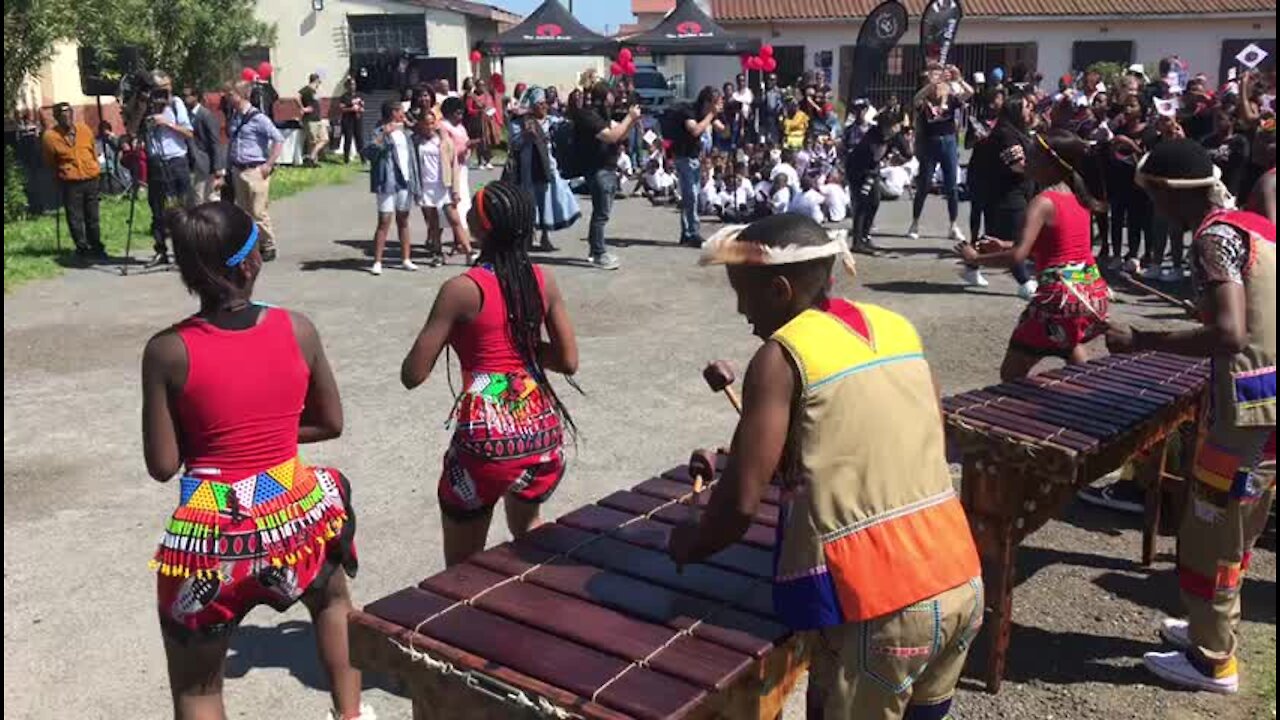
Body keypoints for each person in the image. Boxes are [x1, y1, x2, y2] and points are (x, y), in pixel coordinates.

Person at [669, 214, 982, 719]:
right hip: (959, 579)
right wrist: (744, 459)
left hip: (883, 611)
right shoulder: (897, 328)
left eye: (741, 292)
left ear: (778, 289)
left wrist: (692, 542)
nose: (739, 308)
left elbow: (741, 505)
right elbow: (897, 444)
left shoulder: (779, 357)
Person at [143, 202, 368, 720]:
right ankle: (351, 715)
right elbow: (330, 422)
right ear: (250, 264)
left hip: (212, 534)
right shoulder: (298, 329)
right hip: (295, 514)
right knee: (333, 602)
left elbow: (162, 464)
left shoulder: (167, 351)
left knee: (198, 690)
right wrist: (266, 436)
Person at [1105, 139, 1275, 695]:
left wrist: (1141, 340)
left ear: (1171, 195)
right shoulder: (1251, 224)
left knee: (1210, 525)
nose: (1155, 210)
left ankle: (1213, 660)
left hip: (1245, 412)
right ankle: (1211, 624)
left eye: (1154, 197)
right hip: (1269, 402)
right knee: (1242, 523)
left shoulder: (1211, 239)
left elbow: (1229, 334)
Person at [400, 180, 580, 566]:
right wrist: (522, 351)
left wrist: (462, 338)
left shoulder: (460, 290)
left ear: (481, 228)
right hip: (540, 430)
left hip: (487, 435)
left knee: (464, 567)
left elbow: (413, 374)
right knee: (528, 532)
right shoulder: (543, 279)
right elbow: (568, 361)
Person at [956, 129, 1110, 380]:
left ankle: (1028, 415)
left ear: (1051, 164)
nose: (1027, 161)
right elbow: (1057, 247)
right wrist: (1004, 245)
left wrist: (974, 259)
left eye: (1033, 156)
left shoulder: (1043, 202)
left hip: (1059, 300)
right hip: (1090, 292)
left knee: (1011, 373)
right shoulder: (1078, 197)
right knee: (1069, 345)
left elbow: (1018, 257)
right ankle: (1087, 398)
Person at [963, 92, 1037, 293]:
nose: (1030, 110)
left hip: (1016, 191)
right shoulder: (1006, 133)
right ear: (1015, 111)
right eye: (1026, 107)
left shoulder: (1019, 131)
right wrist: (1040, 169)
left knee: (995, 237)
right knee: (1016, 238)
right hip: (1006, 193)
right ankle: (1025, 282)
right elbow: (1017, 165)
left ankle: (970, 263)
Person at [574, 81, 643, 270]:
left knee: (602, 212)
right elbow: (611, 136)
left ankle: (594, 249)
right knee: (601, 214)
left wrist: (632, 121)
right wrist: (629, 118)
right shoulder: (590, 116)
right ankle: (598, 253)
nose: (616, 100)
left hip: (608, 168)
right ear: (604, 97)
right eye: (612, 96)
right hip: (598, 170)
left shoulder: (603, 116)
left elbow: (621, 135)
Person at [509, 86, 579, 251]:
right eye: (539, 104)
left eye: (544, 103)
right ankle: (527, 235)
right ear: (533, 106)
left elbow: (565, 131)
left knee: (548, 199)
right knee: (530, 200)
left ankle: (545, 236)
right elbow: (514, 144)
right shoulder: (520, 123)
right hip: (528, 168)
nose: (543, 107)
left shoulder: (552, 121)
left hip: (548, 166)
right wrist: (526, 136)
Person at [225, 80, 284, 262]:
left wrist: (269, 164)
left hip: (255, 170)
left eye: (230, 94)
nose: (227, 98)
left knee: (258, 211)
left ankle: (268, 245)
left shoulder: (258, 118)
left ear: (242, 95)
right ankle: (252, 246)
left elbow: (278, 139)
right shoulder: (234, 116)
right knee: (243, 213)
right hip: (238, 170)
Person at [41, 102, 106, 261]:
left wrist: (95, 169)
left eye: (69, 114)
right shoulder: (50, 137)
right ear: (56, 118)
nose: (67, 118)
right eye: (62, 115)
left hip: (90, 178)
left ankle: (96, 246)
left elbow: (93, 150)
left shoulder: (84, 129)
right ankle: (81, 247)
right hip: (70, 181)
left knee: (93, 216)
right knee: (75, 216)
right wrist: (60, 174)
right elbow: (50, 160)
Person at [145, 71, 196, 267]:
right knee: (157, 208)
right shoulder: (146, 106)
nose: (165, 93)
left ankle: (186, 251)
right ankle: (160, 250)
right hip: (155, 161)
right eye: (161, 89)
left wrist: (167, 123)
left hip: (176, 161)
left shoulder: (176, 104)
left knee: (183, 208)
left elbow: (189, 133)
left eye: (168, 88)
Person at [907, 81, 966, 243]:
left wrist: (959, 79)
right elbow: (915, 99)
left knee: (951, 186)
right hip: (930, 143)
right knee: (924, 184)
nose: (939, 90)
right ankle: (915, 222)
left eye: (942, 87)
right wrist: (928, 86)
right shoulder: (926, 103)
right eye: (936, 87)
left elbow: (969, 93)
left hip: (948, 141)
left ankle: (953, 225)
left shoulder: (952, 101)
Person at [846, 110, 912, 255]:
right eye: (893, 125)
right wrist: (887, 150)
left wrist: (899, 159)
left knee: (874, 201)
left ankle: (865, 236)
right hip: (857, 169)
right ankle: (857, 242)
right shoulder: (873, 136)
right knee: (862, 203)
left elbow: (908, 153)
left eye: (896, 125)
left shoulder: (896, 135)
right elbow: (875, 156)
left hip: (873, 170)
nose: (896, 128)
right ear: (885, 126)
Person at [367, 101, 419, 275]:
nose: (403, 115)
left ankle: (406, 258)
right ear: (393, 113)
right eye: (400, 112)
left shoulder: (407, 133)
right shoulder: (379, 130)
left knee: (403, 220)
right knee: (384, 221)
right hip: (387, 181)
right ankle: (377, 261)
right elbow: (369, 152)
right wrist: (383, 134)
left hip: (405, 179)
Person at [413, 108, 466, 268]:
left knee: (454, 219)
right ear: (421, 125)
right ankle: (437, 253)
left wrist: (455, 190)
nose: (429, 126)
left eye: (432, 123)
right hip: (426, 187)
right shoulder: (416, 142)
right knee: (433, 224)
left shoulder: (444, 141)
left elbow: (454, 166)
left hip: (443, 185)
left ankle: (469, 251)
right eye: (425, 123)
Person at [673, 87, 725, 246]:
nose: (718, 105)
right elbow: (695, 130)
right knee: (692, 196)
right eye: (716, 102)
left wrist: (729, 117)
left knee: (691, 196)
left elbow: (723, 130)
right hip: (684, 157)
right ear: (707, 102)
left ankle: (687, 233)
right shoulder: (689, 111)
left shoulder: (707, 115)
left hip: (695, 159)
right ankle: (692, 233)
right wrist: (711, 115)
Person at [183, 87, 226, 205]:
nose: (185, 99)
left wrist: (218, 168)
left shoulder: (206, 115)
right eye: (184, 96)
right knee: (194, 197)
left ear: (196, 97)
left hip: (204, 161)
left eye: (188, 96)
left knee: (203, 197)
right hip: (191, 161)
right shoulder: (186, 114)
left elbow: (214, 141)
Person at [297, 73, 328, 167]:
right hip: (310, 119)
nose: (320, 84)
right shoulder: (307, 89)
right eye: (319, 82)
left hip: (318, 119)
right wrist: (302, 108)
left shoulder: (314, 91)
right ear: (316, 80)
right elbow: (296, 97)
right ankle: (313, 162)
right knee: (313, 142)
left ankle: (311, 157)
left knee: (325, 139)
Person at [337, 77, 366, 164]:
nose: (353, 86)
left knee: (360, 139)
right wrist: (351, 109)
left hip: (358, 119)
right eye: (351, 85)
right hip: (348, 120)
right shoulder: (344, 97)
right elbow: (341, 109)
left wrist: (360, 109)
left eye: (354, 84)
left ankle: (363, 159)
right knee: (348, 139)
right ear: (347, 86)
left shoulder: (359, 96)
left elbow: (362, 107)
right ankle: (346, 159)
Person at [759, 73, 783, 145]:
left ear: (776, 81)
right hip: (765, 119)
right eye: (769, 80)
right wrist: (762, 92)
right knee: (764, 141)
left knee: (774, 140)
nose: (770, 82)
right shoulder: (765, 91)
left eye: (772, 80)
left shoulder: (779, 92)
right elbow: (760, 102)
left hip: (775, 119)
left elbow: (777, 106)